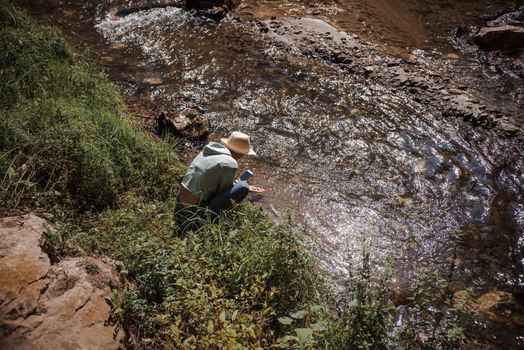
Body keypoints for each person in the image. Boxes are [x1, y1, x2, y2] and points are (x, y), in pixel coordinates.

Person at [175, 131, 256, 221]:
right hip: (193, 210)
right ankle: (215, 219)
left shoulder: (209, 149)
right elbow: (222, 192)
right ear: (241, 153)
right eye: (244, 154)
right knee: (243, 186)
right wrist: (237, 186)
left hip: (180, 201)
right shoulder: (230, 163)